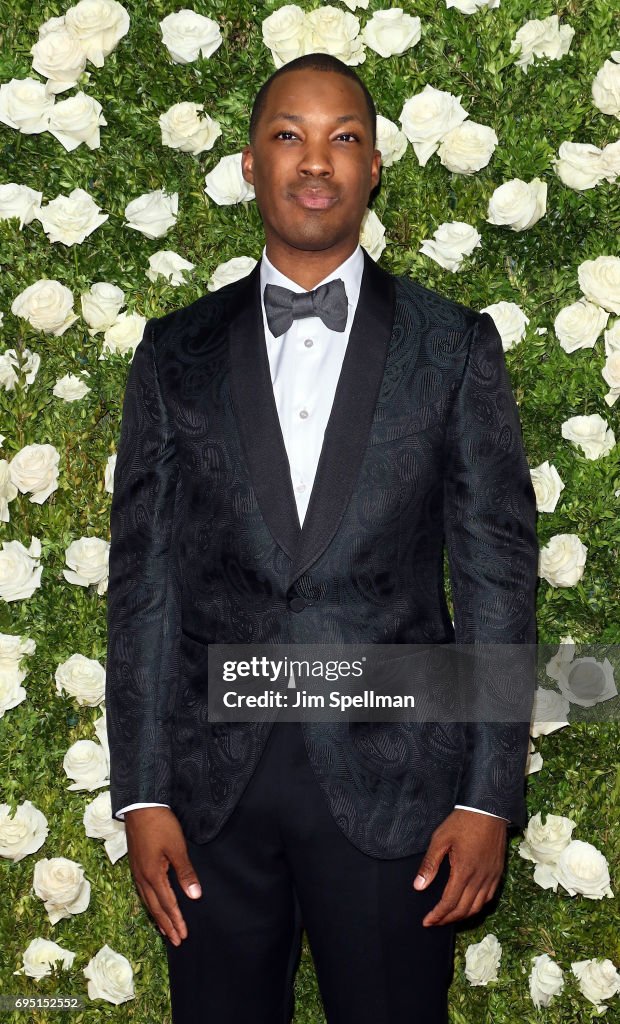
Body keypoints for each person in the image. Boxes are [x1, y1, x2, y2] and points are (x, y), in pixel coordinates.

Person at [105, 53, 538, 1024]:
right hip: (209, 803)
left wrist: (484, 799)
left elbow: (495, 579)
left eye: (341, 136)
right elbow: (142, 584)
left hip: (400, 798)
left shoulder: (451, 346)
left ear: (373, 164)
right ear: (249, 165)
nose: (315, 160)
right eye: (287, 136)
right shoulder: (172, 352)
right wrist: (140, 795)